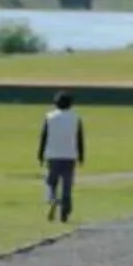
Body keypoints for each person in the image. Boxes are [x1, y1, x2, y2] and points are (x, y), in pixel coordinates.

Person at [38, 90, 86, 222]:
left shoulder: (49, 117)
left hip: (52, 155)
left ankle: (53, 199)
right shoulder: (75, 118)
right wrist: (81, 156)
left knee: (51, 182)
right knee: (67, 184)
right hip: (69, 155)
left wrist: (40, 154)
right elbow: (79, 138)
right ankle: (65, 209)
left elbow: (44, 137)